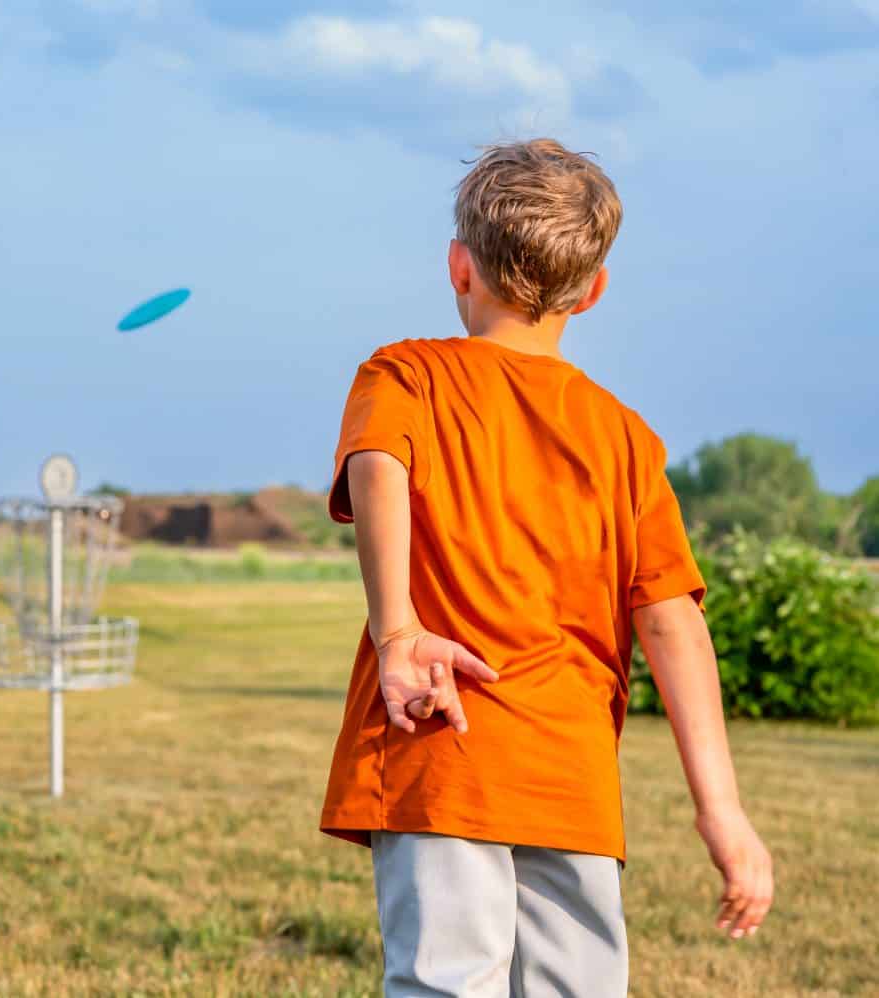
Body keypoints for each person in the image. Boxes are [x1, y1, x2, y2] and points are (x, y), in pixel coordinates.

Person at [320, 138, 774, 997]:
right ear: (594, 290)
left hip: (439, 758)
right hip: (573, 782)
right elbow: (674, 620)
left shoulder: (405, 373)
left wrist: (399, 631)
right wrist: (724, 814)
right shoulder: (626, 437)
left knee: (446, 983)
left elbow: (378, 465)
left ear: (460, 267)